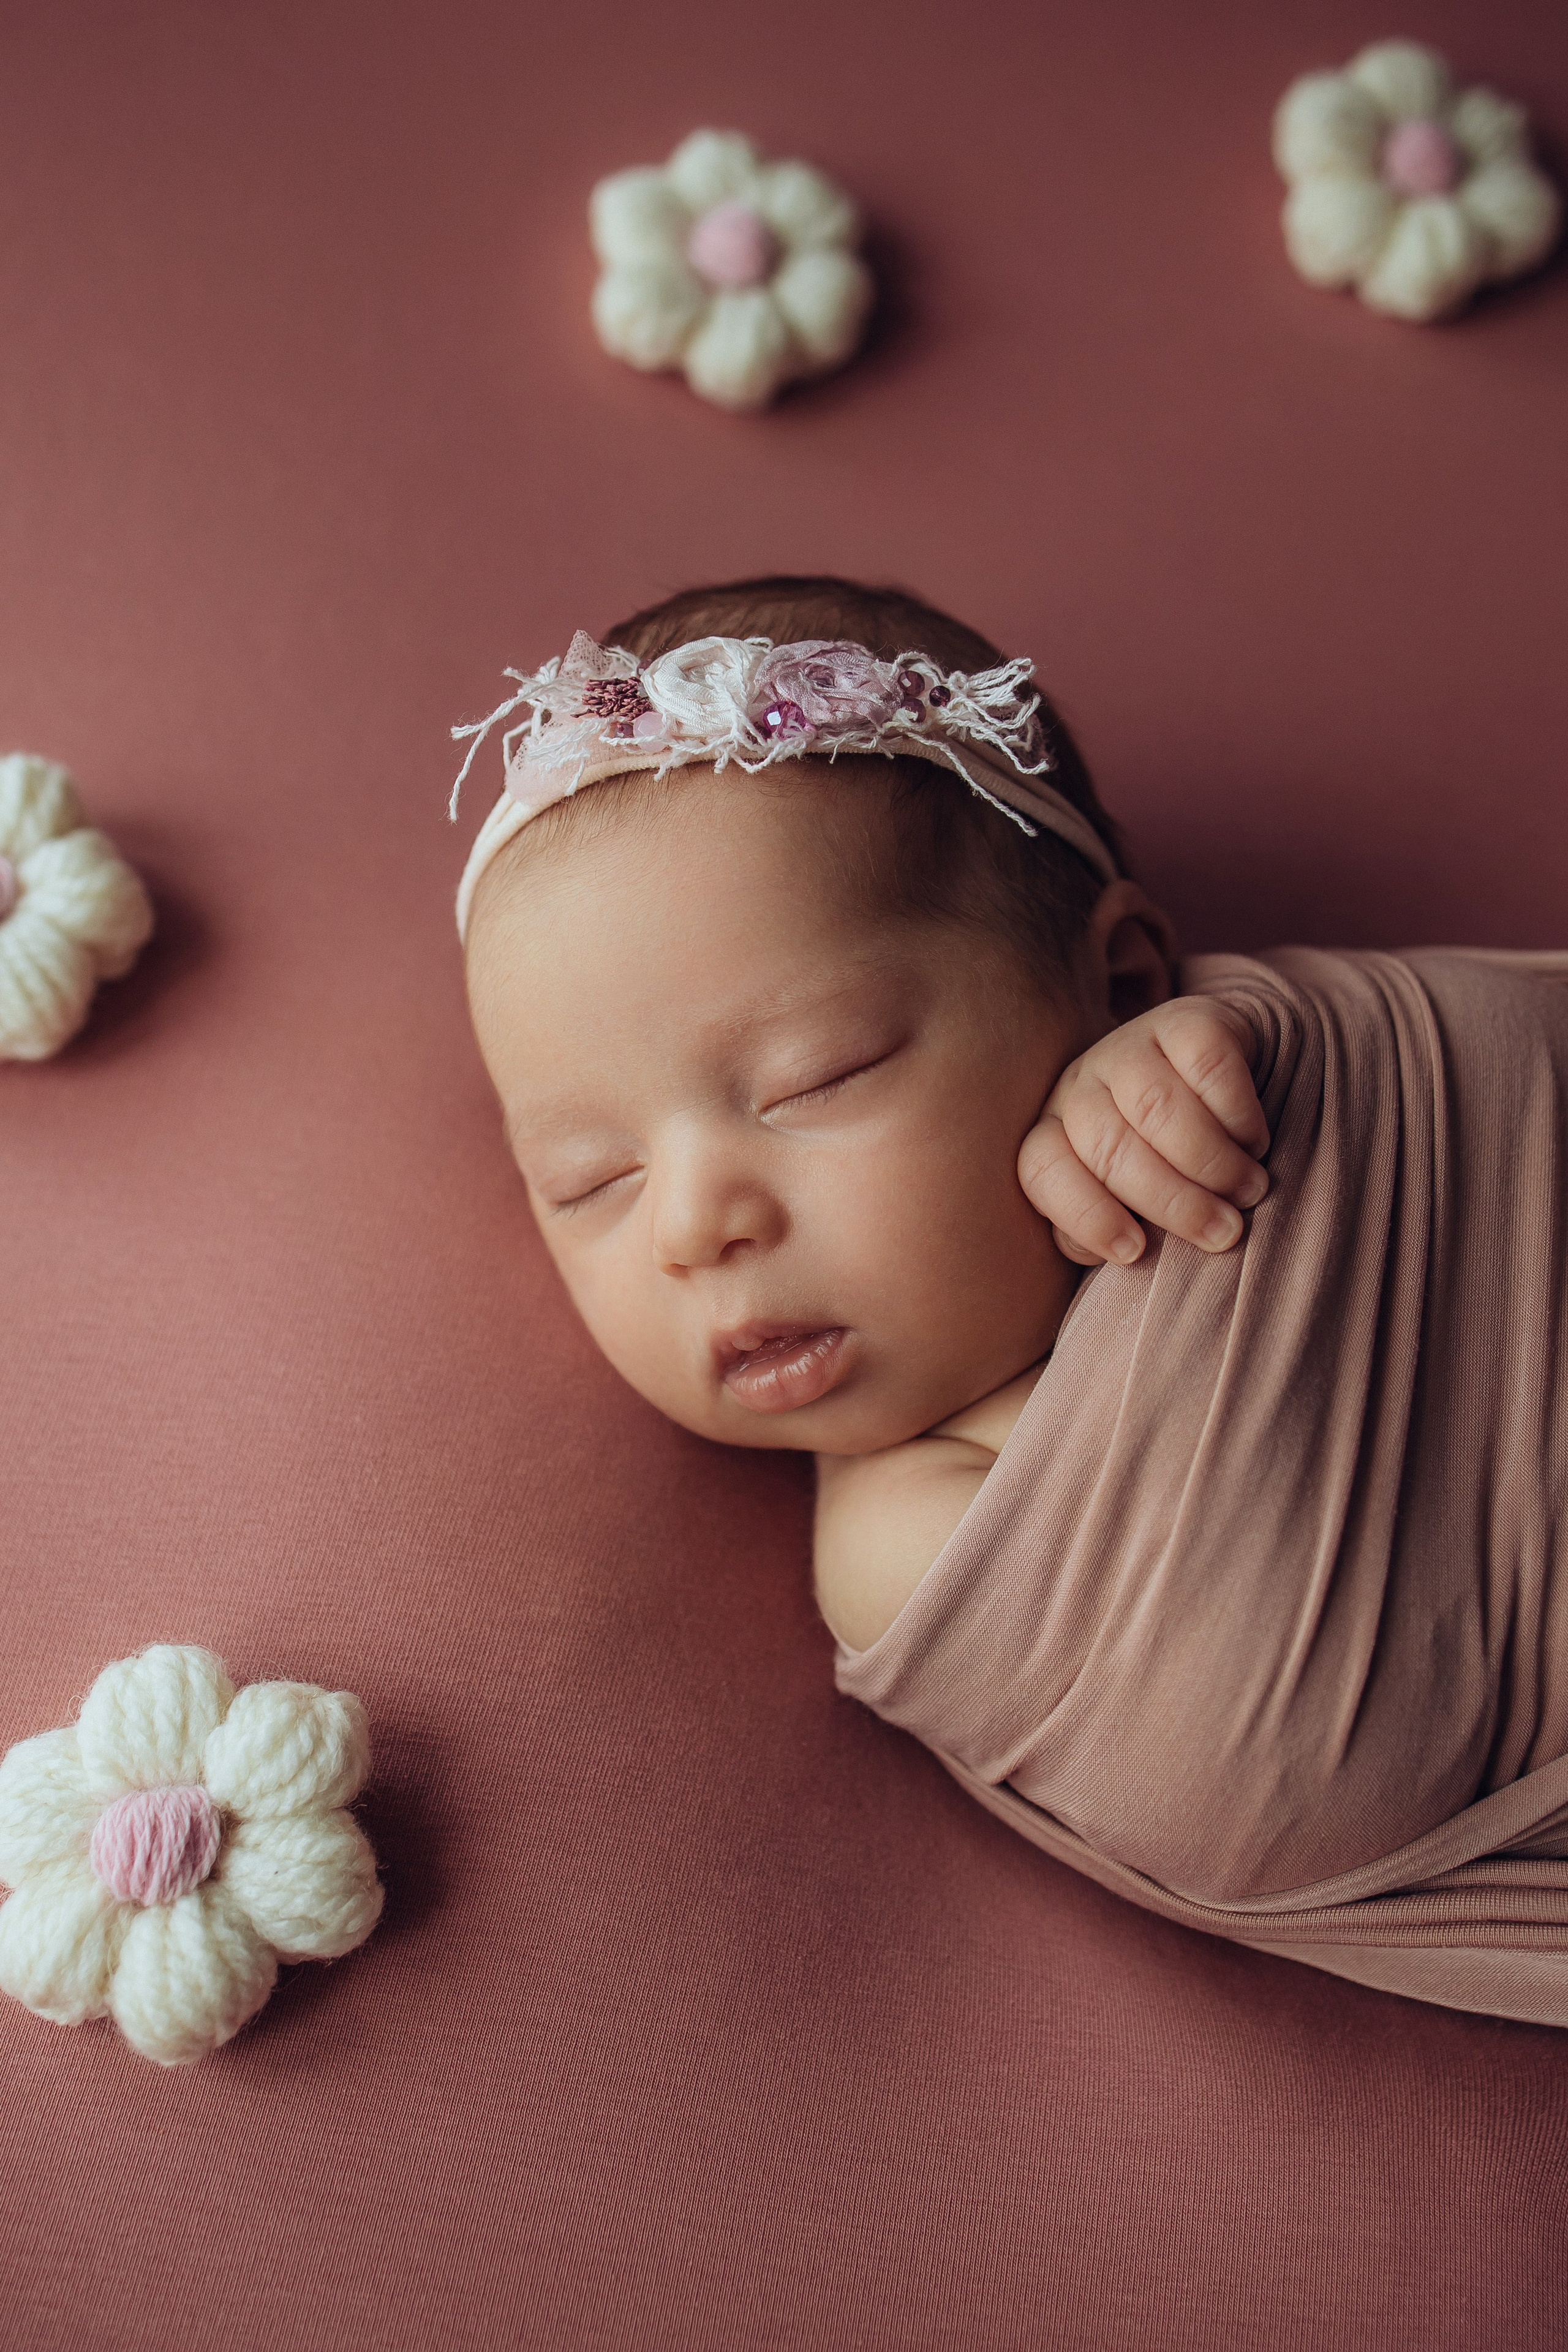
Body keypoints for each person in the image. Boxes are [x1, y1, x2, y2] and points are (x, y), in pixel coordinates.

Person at [455, 574, 1568, 2027]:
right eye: (587, 1179)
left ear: (1113, 978)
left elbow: (1498, 1075)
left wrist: (1212, 1064)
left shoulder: (1243, 1064)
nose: (694, 1224)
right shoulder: (911, 1537)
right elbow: (1282, 1767)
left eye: (814, 1082)